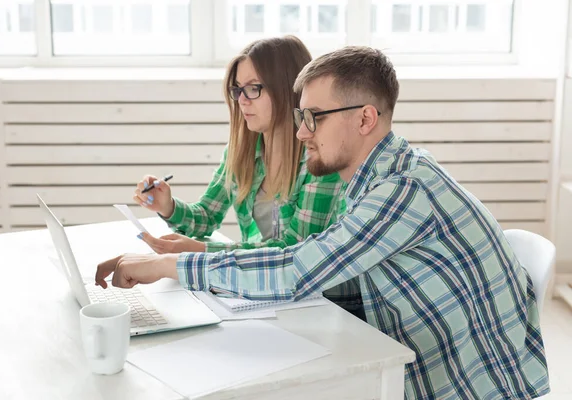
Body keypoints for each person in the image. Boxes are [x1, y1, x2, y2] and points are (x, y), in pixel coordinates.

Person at [96, 46, 549, 399]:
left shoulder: (403, 190)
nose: (300, 133)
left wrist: (167, 267)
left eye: (313, 118)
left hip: (464, 382)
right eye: (300, 116)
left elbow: (299, 268)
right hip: (423, 352)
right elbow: (328, 268)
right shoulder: (383, 176)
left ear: (366, 119)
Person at [131, 35, 361, 314]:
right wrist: (167, 206)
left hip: (326, 303)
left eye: (254, 88)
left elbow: (294, 251)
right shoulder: (241, 151)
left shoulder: (319, 158)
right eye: (238, 90)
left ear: (288, 89)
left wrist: (203, 252)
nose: (242, 100)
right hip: (267, 293)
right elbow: (206, 216)